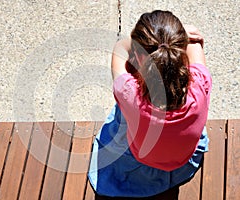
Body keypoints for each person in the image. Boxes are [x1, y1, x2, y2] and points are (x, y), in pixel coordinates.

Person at [88, 10, 212, 199]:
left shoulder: (129, 93)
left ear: (138, 55)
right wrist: (176, 36)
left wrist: (141, 41)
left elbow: (120, 48)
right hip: (183, 160)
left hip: (141, 159)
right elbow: (195, 42)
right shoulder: (200, 83)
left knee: (122, 115)